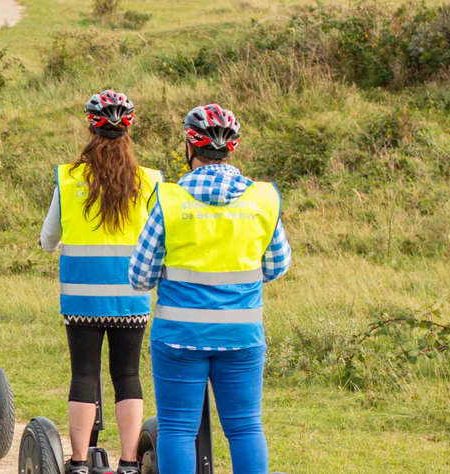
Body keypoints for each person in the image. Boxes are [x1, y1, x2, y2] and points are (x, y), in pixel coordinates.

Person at [128, 104, 290, 474]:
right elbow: (277, 265)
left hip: (179, 337)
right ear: (232, 149)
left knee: (177, 429)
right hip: (242, 334)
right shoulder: (263, 199)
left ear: (190, 147)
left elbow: (139, 276)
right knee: (245, 427)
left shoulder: (169, 200)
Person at [39, 90, 164, 474]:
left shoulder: (68, 178)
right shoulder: (150, 181)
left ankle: (78, 462)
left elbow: (48, 240)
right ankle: (128, 462)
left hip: (82, 299)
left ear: (91, 129)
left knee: (84, 375)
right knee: (127, 375)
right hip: (131, 298)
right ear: (128, 130)